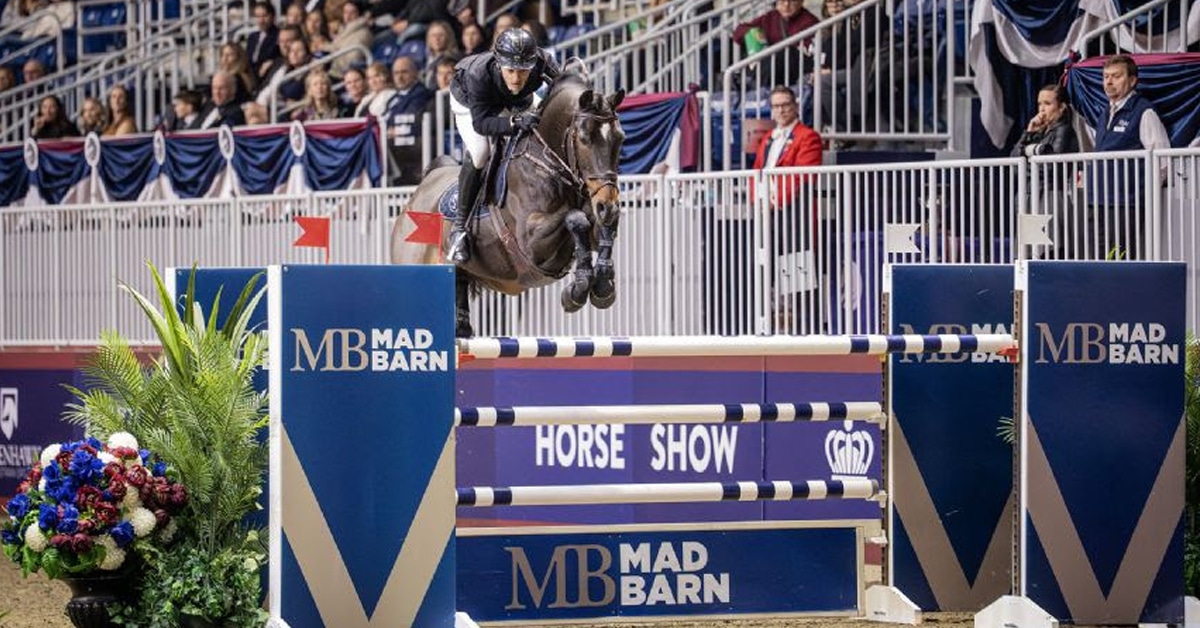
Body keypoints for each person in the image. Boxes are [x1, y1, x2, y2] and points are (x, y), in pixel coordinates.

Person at [446, 27, 561, 263]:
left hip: (515, 98)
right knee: (480, 152)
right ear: (499, 64)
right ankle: (459, 228)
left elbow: (562, 86)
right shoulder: (478, 75)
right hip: (469, 101)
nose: (516, 78)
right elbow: (482, 124)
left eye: (523, 71)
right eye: (511, 71)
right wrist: (514, 122)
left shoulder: (543, 61)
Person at [753, 86, 823, 332]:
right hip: (769, 214)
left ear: (795, 106)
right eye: (776, 106)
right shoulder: (768, 138)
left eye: (785, 105)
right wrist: (757, 200)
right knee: (766, 271)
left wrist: (775, 201)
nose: (781, 110)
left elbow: (802, 176)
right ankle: (769, 328)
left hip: (795, 216)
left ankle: (807, 330)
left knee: (798, 276)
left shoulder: (808, 136)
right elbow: (757, 171)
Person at [1089, 54, 1170, 259]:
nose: (1109, 82)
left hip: (1127, 202)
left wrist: (1143, 192)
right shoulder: (1104, 113)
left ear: (1132, 80)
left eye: (1116, 76)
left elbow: (1162, 160)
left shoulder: (1144, 112)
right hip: (1099, 199)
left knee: (1118, 258)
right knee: (1099, 258)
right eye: (1106, 77)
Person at [1014, 84, 1079, 258]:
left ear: (1062, 107)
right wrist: (1029, 133)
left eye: (1047, 103)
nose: (1042, 109)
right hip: (1032, 197)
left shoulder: (1064, 130)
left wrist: (1028, 164)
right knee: (1029, 253)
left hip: (1050, 197)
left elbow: (1051, 167)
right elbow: (1014, 160)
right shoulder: (1039, 131)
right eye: (1039, 104)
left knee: (1049, 251)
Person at [732, 0, 818, 85]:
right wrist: (755, 35)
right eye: (782, 1)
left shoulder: (810, 22)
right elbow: (739, 32)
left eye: (792, 1)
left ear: (801, 2)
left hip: (795, 67)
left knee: (782, 53)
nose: (786, 5)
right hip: (770, 66)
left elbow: (807, 52)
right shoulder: (770, 17)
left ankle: (755, 84)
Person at [246, 1, 281, 78]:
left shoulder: (279, 35)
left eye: (264, 16)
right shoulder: (252, 37)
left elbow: (283, 56)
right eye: (258, 16)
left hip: (269, 75)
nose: (261, 21)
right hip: (251, 75)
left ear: (272, 16)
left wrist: (273, 62)